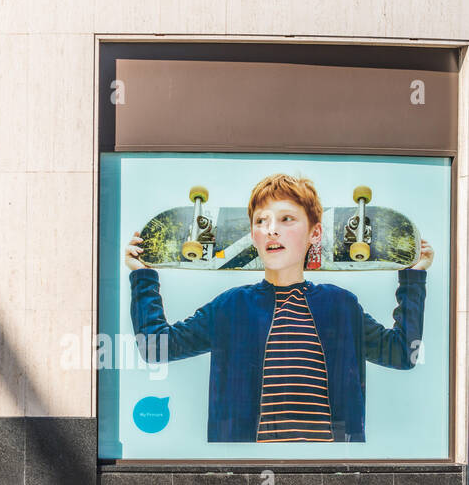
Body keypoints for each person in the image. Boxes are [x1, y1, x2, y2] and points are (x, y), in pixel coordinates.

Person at [125, 173, 432, 442]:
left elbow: (403, 353)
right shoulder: (230, 307)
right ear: (254, 237)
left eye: (286, 219)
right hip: (247, 468)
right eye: (261, 221)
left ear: (315, 233)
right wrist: (142, 277)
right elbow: (156, 348)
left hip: (327, 468)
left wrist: (414, 279)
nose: (272, 229)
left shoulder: (341, 306)